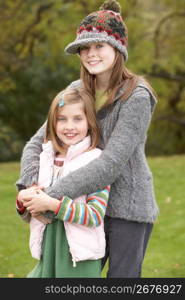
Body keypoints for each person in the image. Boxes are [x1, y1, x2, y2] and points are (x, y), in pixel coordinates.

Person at [16, 0, 159, 278]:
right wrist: (30, 186)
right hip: (81, 204)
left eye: (98, 46)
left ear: (117, 49)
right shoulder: (77, 90)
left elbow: (112, 163)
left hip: (126, 209)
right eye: (84, 48)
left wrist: (51, 197)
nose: (90, 54)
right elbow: (38, 142)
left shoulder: (137, 96)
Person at [16, 87, 110, 278]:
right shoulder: (45, 159)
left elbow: (95, 215)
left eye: (77, 118)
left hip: (79, 258)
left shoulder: (96, 161)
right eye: (62, 119)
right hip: (48, 250)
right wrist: (23, 199)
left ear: (90, 121)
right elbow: (32, 212)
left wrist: (54, 205)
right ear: (52, 123)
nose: (69, 126)